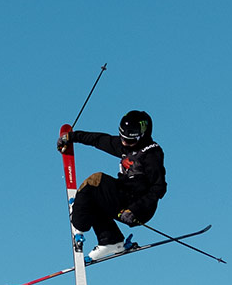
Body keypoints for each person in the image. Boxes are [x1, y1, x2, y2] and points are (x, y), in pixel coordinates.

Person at [58, 110, 164, 261]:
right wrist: (71, 137)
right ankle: (111, 240)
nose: (125, 143)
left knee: (95, 181)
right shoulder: (124, 146)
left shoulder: (151, 154)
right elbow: (98, 140)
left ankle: (79, 223)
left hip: (138, 205)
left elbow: (158, 187)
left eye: (130, 141)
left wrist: (134, 210)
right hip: (124, 197)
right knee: (96, 198)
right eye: (123, 138)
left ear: (142, 137)